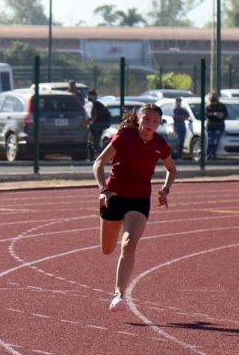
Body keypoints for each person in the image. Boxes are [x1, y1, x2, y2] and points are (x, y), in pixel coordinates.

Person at [92, 103, 177, 312]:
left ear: (159, 124)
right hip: (114, 196)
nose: (150, 124)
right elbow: (99, 162)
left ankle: (119, 293)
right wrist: (103, 188)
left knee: (129, 243)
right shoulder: (125, 136)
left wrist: (165, 189)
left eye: (155, 121)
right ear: (138, 119)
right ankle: (118, 292)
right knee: (107, 249)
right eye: (146, 119)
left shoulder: (160, 144)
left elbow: (172, 169)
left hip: (139, 200)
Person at [87, 90, 111, 160]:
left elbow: (97, 116)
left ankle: (102, 157)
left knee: (95, 143)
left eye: (90, 95)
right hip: (96, 126)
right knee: (92, 143)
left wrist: (92, 123)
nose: (89, 97)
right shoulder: (94, 104)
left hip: (97, 126)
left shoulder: (97, 104)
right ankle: (93, 158)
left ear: (95, 96)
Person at [205, 91, 228, 160]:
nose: (213, 97)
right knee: (210, 141)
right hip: (210, 126)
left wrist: (221, 115)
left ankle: (213, 154)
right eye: (212, 96)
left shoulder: (222, 106)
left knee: (215, 141)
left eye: (214, 96)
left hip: (219, 126)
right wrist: (214, 114)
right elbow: (206, 114)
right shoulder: (208, 106)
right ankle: (208, 154)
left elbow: (226, 114)